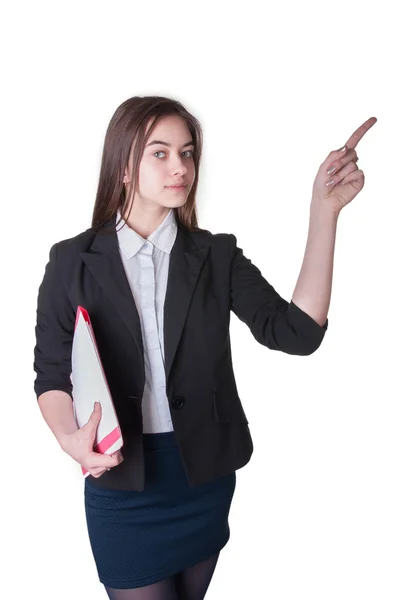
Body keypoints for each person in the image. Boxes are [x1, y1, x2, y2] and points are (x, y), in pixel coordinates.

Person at [33, 95, 377, 599]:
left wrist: (323, 213)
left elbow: (296, 333)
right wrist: (69, 438)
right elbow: (51, 373)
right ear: (123, 165)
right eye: (160, 153)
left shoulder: (217, 255)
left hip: (201, 478)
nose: (180, 167)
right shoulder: (71, 261)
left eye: (188, 153)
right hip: (121, 482)